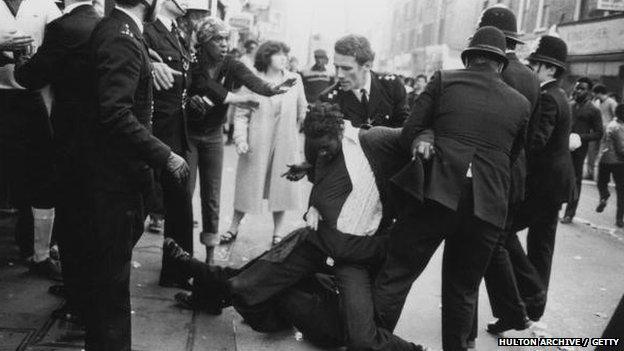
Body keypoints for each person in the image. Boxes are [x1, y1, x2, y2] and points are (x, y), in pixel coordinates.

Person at [171, 102, 427, 350]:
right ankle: (202, 286)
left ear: (338, 131)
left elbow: (412, 133)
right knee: (246, 284)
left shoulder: (372, 141)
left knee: (361, 338)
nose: (322, 154)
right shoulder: (323, 151)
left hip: (353, 256)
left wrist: (424, 139)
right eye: (317, 152)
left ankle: (416, 350)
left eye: (326, 148)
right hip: (316, 242)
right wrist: (309, 168)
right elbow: (327, 173)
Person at [372, 26, 530, 351]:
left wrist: (427, 136)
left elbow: (407, 133)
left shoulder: (444, 80)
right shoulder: (520, 103)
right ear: (500, 65)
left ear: (469, 57)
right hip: (487, 208)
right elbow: (512, 158)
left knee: (397, 274)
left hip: (436, 194)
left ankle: (371, 343)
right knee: (462, 290)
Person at [83, 0, 189, 348]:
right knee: (111, 284)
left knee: (109, 279)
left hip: (117, 176)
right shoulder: (121, 36)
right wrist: (166, 155)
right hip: (116, 179)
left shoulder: (123, 32)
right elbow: (116, 114)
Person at [3, 0, 102, 324]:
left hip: (46, 110)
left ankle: (51, 263)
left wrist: (23, 62)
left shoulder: (53, 15)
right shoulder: (96, 21)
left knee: (52, 187)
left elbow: (38, 70)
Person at [483, 34, 576, 332]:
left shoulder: (548, 97)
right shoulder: (561, 95)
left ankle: (529, 294)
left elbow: (536, 142)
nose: (533, 68)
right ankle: (534, 304)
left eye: (538, 64)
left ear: (551, 70)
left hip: (543, 186)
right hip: (557, 185)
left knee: (503, 233)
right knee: (542, 245)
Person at [185, 17, 295, 262]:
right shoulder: (192, 61)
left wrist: (270, 89)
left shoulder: (231, 64)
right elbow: (203, 84)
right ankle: (181, 256)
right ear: (203, 42)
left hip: (213, 135)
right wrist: (236, 100)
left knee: (212, 196)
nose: (224, 44)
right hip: (188, 134)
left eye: (226, 39)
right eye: (217, 39)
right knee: (185, 191)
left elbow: (251, 79)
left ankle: (210, 258)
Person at [469, 5, 540, 337]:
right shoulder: (529, 75)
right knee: (498, 241)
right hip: (516, 171)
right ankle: (516, 309)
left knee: (490, 244)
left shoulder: (496, 70)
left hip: (494, 173)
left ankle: (516, 310)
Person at [0, 0, 62, 280]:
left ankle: (39, 252)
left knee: (43, 172)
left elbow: (65, 39)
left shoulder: (45, 5)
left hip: (28, 96)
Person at [223, 41, 307, 245]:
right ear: (266, 57)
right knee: (248, 186)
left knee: (282, 188)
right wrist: (241, 139)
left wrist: (297, 134)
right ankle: (233, 227)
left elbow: (302, 109)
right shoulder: (253, 80)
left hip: (285, 142)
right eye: (278, 54)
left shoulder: (294, 79)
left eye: (285, 54)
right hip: (257, 142)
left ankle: (278, 232)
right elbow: (242, 113)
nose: (284, 58)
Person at [143, 0, 195, 289]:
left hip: (176, 128)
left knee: (178, 202)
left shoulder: (178, 33)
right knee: (139, 203)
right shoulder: (148, 30)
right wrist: (150, 64)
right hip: (154, 128)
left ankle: (177, 272)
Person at [319, 35, 408, 128]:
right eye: (336, 67)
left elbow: (404, 129)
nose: (339, 75)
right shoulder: (328, 100)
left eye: (346, 68)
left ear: (367, 65)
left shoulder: (392, 85)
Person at [561, 77, 603, 223]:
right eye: (576, 87)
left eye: (582, 88)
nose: (577, 91)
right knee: (559, 176)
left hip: (579, 150)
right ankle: (556, 205)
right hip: (562, 147)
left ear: (589, 91)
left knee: (575, 181)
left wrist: (580, 137)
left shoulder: (593, 110)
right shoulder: (569, 104)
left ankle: (569, 213)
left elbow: (599, 133)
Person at [596, 104, 624, 227]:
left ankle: (604, 196)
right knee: (621, 190)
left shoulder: (609, 124)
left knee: (602, 182)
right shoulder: (618, 128)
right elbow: (621, 148)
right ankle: (619, 218)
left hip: (604, 159)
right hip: (618, 162)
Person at [587, 84, 619, 180]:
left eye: (595, 93)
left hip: (606, 131)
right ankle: (590, 173)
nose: (594, 95)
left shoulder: (611, 102)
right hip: (595, 129)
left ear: (599, 93)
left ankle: (602, 175)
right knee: (591, 151)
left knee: (603, 152)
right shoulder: (596, 102)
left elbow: (616, 116)